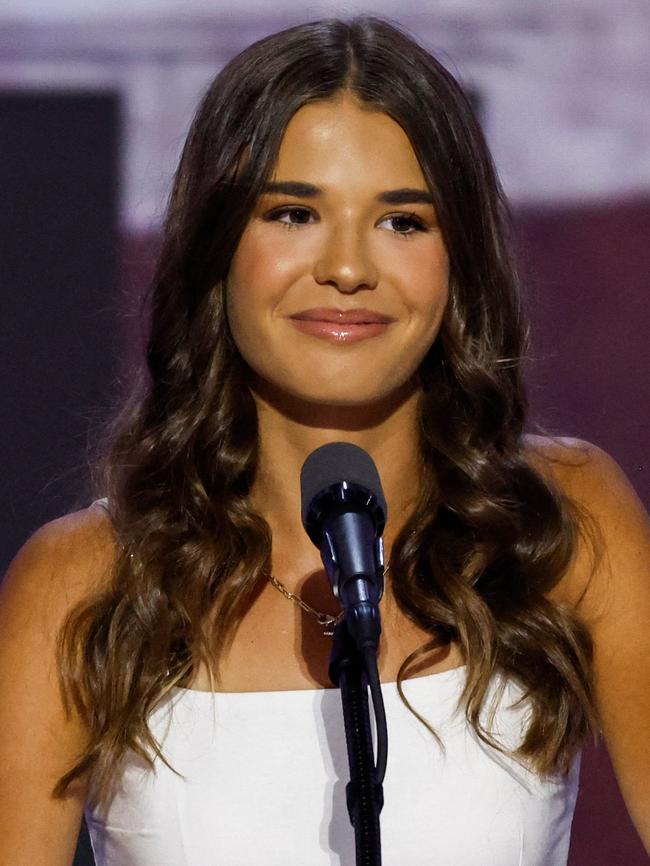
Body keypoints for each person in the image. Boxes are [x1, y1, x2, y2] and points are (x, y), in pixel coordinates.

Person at [1, 14, 649, 866]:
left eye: (404, 222)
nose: (348, 267)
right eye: (296, 212)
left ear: (459, 264)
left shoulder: (556, 520)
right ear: (218, 247)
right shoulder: (83, 583)